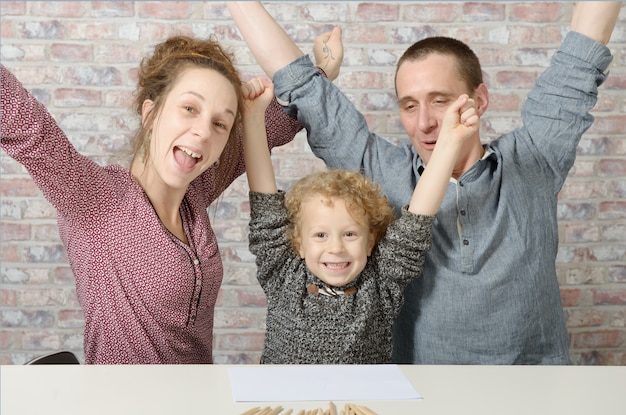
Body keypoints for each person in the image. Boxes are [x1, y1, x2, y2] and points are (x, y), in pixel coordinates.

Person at [227, 2, 621, 364]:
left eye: (440, 100)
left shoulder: (533, 158)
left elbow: (579, 61)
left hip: (536, 389)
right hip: (420, 393)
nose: (426, 122)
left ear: (479, 100)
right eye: (410, 105)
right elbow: (301, 84)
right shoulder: (383, 173)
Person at [0, 35, 307, 364]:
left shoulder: (196, 191)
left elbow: (284, 114)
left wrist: (317, 71)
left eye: (220, 123)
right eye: (189, 108)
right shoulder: (95, 199)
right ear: (150, 114)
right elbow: (28, 127)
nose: (204, 131)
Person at [240, 74, 477, 363]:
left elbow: (417, 222)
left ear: (370, 241)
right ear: (299, 244)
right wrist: (252, 120)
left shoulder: (381, 283)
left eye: (350, 234)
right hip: (287, 407)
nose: (336, 248)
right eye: (320, 235)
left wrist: (449, 144)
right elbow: (265, 206)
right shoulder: (283, 274)